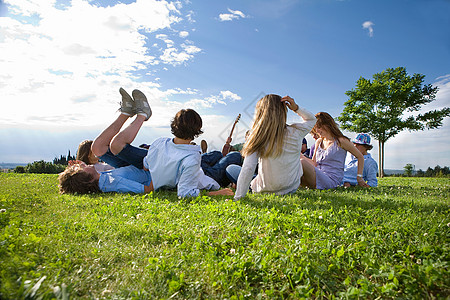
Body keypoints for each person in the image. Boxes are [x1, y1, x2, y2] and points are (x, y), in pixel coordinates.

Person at [60, 88, 232, 197]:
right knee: (226, 158)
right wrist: (159, 179)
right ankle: (142, 114)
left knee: (97, 147)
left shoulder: (103, 176)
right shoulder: (110, 182)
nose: (81, 166)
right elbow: (149, 188)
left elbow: (99, 168)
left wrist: (81, 164)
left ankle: (126, 112)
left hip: (148, 165)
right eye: (80, 169)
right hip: (155, 170)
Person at [228, 94, 316, 200]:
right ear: (283, 111)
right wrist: (296, 108)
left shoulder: (257, 136)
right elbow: (312, 120)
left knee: (231, 168)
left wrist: (238, 197)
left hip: (265, 190)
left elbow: (248, 167)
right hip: (290, 188)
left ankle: (237, 185)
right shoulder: (296, 132)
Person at [300, 112, 370, 189]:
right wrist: (298, 154)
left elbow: (360, 156)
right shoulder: (319, 142)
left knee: (302, 162)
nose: (317, 131)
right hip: (317, 175)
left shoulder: (341, 141)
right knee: (298, 162)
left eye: (319, 127)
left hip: (331, 180)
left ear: (328, 125)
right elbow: (314, 163)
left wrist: (359, 178)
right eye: (315, 128)